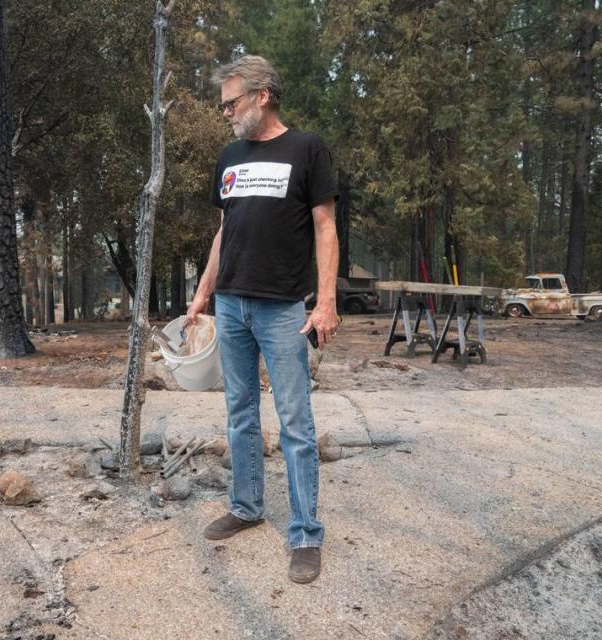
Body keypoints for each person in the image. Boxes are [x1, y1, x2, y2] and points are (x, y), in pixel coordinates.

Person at [185, 55, 340, 584]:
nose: (226, 112)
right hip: (231, 304)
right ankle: (247, 507)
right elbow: (224, 232)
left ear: (263, 95)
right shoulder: (230, 155)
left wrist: (325, 303)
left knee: (296, 422)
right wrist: (202, 294)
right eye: (224, 104)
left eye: (232, 102)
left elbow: (325, 228)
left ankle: (304, 534)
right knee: (240, 413)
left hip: (282, 308)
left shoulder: (307, 148)